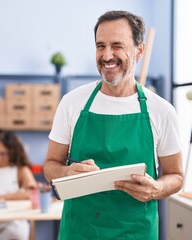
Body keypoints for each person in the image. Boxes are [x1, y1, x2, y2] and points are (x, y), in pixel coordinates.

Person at [43, 10, 184, 239]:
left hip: (135, 232)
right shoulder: (72, 103)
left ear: (139, 50)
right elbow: (50, 166)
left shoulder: (162, 111)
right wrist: (67, 172)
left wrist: (156, 189)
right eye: (100, 46)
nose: (107, 55)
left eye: (117, 45)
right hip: (80, 231)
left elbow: (176, 176)